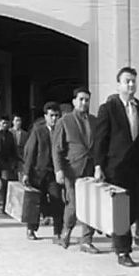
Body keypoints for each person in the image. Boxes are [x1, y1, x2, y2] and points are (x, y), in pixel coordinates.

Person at [93, 67, 139, 267]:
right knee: (121, 211)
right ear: (119, 84)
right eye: (127, 81)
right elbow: (100, 140)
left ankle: (118, 232)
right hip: (116, 168)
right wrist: (98, 166)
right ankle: (123, 250)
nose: (131, 85)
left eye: (133, 81)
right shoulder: (108, 108)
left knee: (137, 208)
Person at [52, 88, 99, 253]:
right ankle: (66, 231)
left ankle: (86, 240)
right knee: (73, 203)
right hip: (72, 169)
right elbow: (57, 149)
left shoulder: (94, 121)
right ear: (74, 101)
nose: (84, 103)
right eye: (81, 99)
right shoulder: (65, 121)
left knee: (91, 204)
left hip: (90, 168)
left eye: (87, 100)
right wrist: (58, 170)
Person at [22, 101, 64, 242]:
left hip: (54, 174)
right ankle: (31, 229)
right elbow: (30, 152)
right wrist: (26, 173)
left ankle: (58, 232)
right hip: (38, 173)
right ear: (45, 116)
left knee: (57, 201)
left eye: (57, 115)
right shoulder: (38, 131)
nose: (54, 119)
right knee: (35, 202)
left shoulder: (62, 131)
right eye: (51, 115)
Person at [0, 116, 19, 214]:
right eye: (3, 123)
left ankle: (5, 207)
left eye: (7, 123)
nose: (5, 125)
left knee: (5, 184)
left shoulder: (10, 135)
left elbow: (13, 149)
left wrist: (15, 161)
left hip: (6, 163)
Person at [10, 114, 28, 178]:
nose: (18, 122)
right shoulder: (9, 132)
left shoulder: (25, 134)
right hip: (11, 158)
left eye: (20, 120)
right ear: (13, 122)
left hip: (21, 158)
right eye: (17, 120)